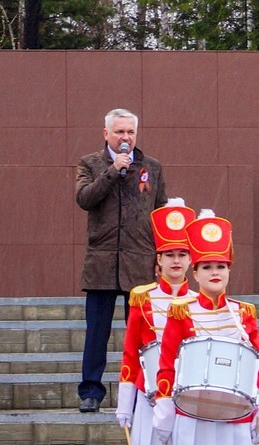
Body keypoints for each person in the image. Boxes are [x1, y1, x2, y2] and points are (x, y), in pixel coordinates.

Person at [77, 109, 168, 412]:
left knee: (141, 333)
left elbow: (161, 214)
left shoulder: (151, 168)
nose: (125, 137)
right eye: (119, 132)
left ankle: (143, 388)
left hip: (139, 262)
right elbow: (85, 199)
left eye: (130, 132)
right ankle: (91, 391)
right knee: (96, 333)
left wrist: (161, 255)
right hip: (102, 263)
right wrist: (113, 170)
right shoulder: (90, 164)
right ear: (106, 134)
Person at [150, 214, 259, 445]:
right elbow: (167, 366)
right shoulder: (181, 313)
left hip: (236, 416)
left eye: (221, 266)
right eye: (207, 267)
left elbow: (258, 365)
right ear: (195, 274)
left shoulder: (244, 313)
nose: (215, 272)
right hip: (192, 415)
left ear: (228, 271)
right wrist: (164, 414)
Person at [115, 199, 198, 445]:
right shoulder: (143, 298)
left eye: (182, 254)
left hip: (186, 393)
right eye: (169, 255)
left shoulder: (197, 302)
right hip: (148, 390)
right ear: (158, 260)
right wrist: (124, 405)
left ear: (190, 260)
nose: (176, 260)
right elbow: (130, 353)